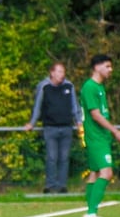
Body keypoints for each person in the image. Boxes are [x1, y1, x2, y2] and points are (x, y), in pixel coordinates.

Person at [79, 54, 120, 217]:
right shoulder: (90, 87)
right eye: (107, 66)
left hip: (101, 136)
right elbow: (95, 114)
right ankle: (91, 213)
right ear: (96, 67)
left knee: (95, 173)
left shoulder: (99, 87)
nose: (110, 70)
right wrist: (115, 131)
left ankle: (91, 213)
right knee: (107, 173)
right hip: (96, 137)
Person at [24, 62, 83, 194]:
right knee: (52, 157)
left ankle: (62, 186)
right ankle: (50, 185)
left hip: (66, 127)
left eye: (63, 72)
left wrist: (78, 121)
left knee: (64, 158)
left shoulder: (69, 86)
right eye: (59, 71)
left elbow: (74, 105)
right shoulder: (44, 87)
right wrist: (32, 123)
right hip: (50, 128)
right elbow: (38, 106)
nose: (62, 75)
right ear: (52, 73)